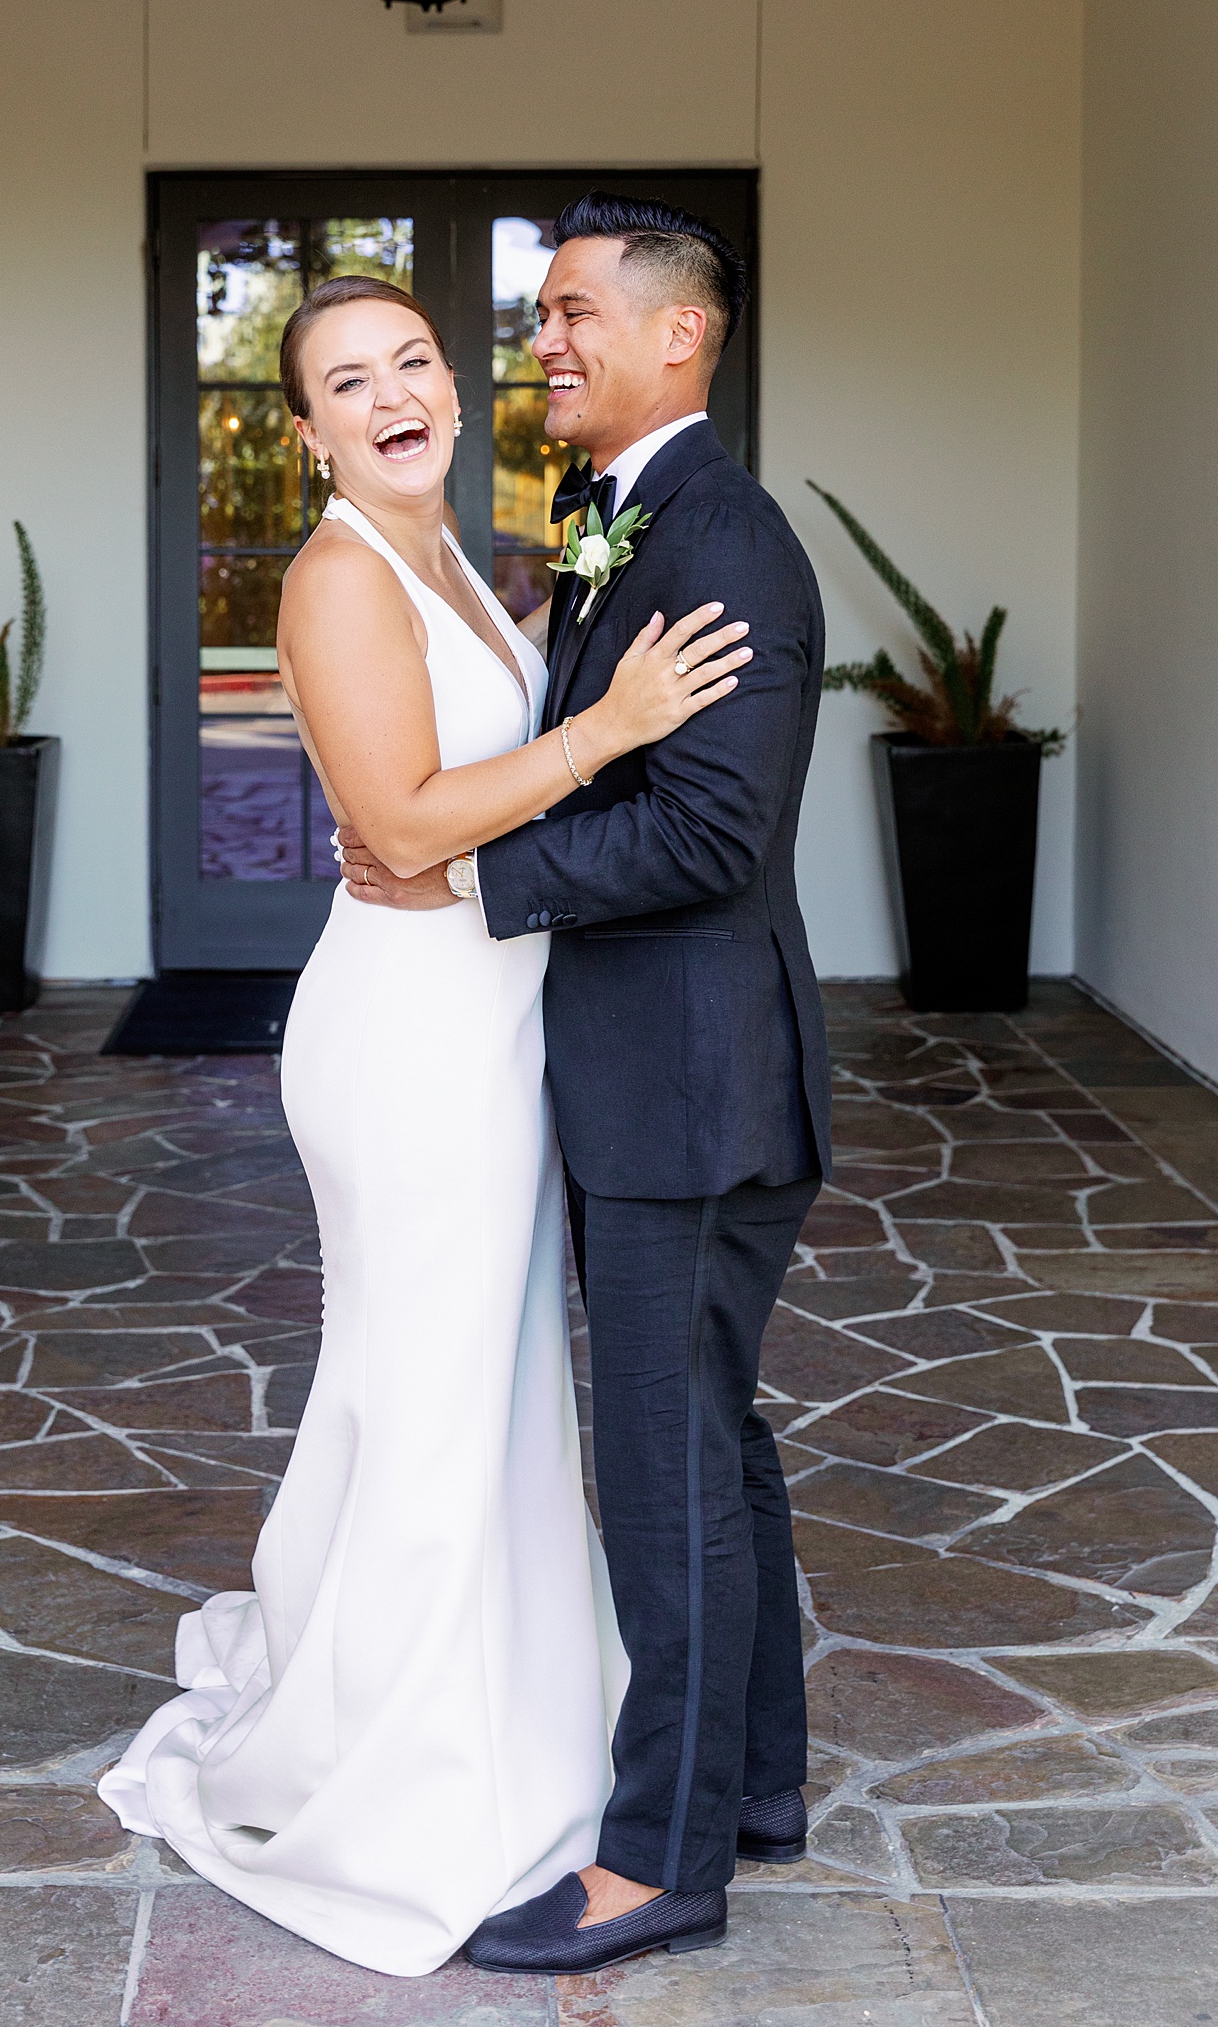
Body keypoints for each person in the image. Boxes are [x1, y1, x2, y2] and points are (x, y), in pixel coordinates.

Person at [97, 268, 750, 1977]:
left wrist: (513, 790)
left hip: (491, 1017)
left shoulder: (463, 554)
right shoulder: (332, 574)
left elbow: (444, 812)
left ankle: (517, 1715)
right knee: (440, 1389)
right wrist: (608, 727)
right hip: (406, 1043)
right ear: (301, 430)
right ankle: (412, 1774)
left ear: (451, 389)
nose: (392, 394)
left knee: (483, 1387)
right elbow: (391, 813)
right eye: (345, 380)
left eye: (413, 362)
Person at [339, 192, 830, 1976]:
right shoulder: (633, 518)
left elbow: (709, 828)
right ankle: (752, 1783)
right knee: (716, 1446)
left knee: (670, 1468)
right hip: (667, 1073)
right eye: (538, 315)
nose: (539, 339)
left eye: (568, 312)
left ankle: (658, 1863)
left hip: (688, 1087)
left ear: (678, 334)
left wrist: (473, 879)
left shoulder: (726, 543)